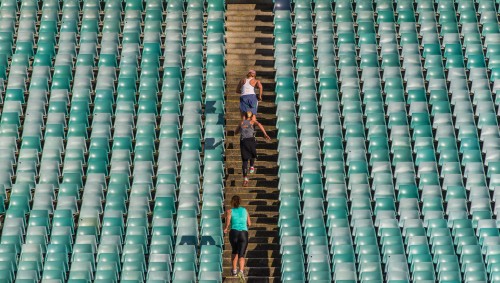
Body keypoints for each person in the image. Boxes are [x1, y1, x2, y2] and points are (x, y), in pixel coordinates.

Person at [235, 111, 270, 186]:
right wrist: (265, 134)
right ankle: (251, 166)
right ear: (251, 117)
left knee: (244, 160)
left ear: (244, 116)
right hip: (251, 140)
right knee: (252, 153)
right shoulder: (252, 122)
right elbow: (260, 124)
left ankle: (245, 178)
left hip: (243, 141)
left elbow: (235, 132)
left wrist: (241, 129)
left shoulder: (241, 123)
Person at [224, 195, 251, 282]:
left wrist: (226, 228)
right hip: (244, 233)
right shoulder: (245, 210)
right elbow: (249, 223)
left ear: (232, 202)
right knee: (241, 254)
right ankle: (241, 272)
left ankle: (234, 271)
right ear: (240, 202)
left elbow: (228, 222)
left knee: (234, 251)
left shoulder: (229, 211)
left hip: (234, 232)